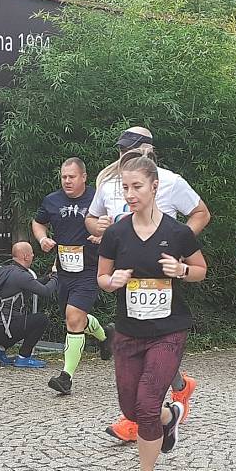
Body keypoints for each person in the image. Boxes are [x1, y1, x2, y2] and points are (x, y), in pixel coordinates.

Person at [86, 127, 210, 442]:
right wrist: (100, 228)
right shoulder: (110, 182)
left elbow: (200, 213)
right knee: (138, 348)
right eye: (120, 148)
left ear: (148, 149)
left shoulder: (170, 181)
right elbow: (91, 218)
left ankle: (142, 419)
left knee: (159, 342)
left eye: (130, 147)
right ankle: (170, 395)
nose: (123, 153)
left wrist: (177, 247)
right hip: (125, 273)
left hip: (161, 277)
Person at [97, 151, 207, 471]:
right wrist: (111, 281)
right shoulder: (116, 233)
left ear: (155, 187)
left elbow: (201, 270)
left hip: (168, 331)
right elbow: (101, 277)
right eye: (125, 188)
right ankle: (169, 416)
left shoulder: (177, 233)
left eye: (137, 187)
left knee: (144, 404)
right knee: (132, 409)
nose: (130, 194)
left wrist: (182, 271)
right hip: (129, 331)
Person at [32, 158, 114, 395]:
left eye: (72, 176)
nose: (67, 181)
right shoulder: (52, 200)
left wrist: (103, 236)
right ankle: (105, 335)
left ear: (84, 177)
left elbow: (118, 224)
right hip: (65, 271)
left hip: (91, 269)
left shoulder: (98, 198)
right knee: (75, 319)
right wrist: (42, 239)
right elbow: (38, 223)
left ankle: (66, 377)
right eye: (64, 177)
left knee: (73, 316)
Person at [0, 241, 57, 368]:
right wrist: (56, 276)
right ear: (26, 256)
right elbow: (46, 292)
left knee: (20, 321)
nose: (33, 256)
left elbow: (34, 284)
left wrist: (49, 277)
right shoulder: (21, 275)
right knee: (41, 319)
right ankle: (24, 357)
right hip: (3, 328)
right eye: (32, 253)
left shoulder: (7, 270)